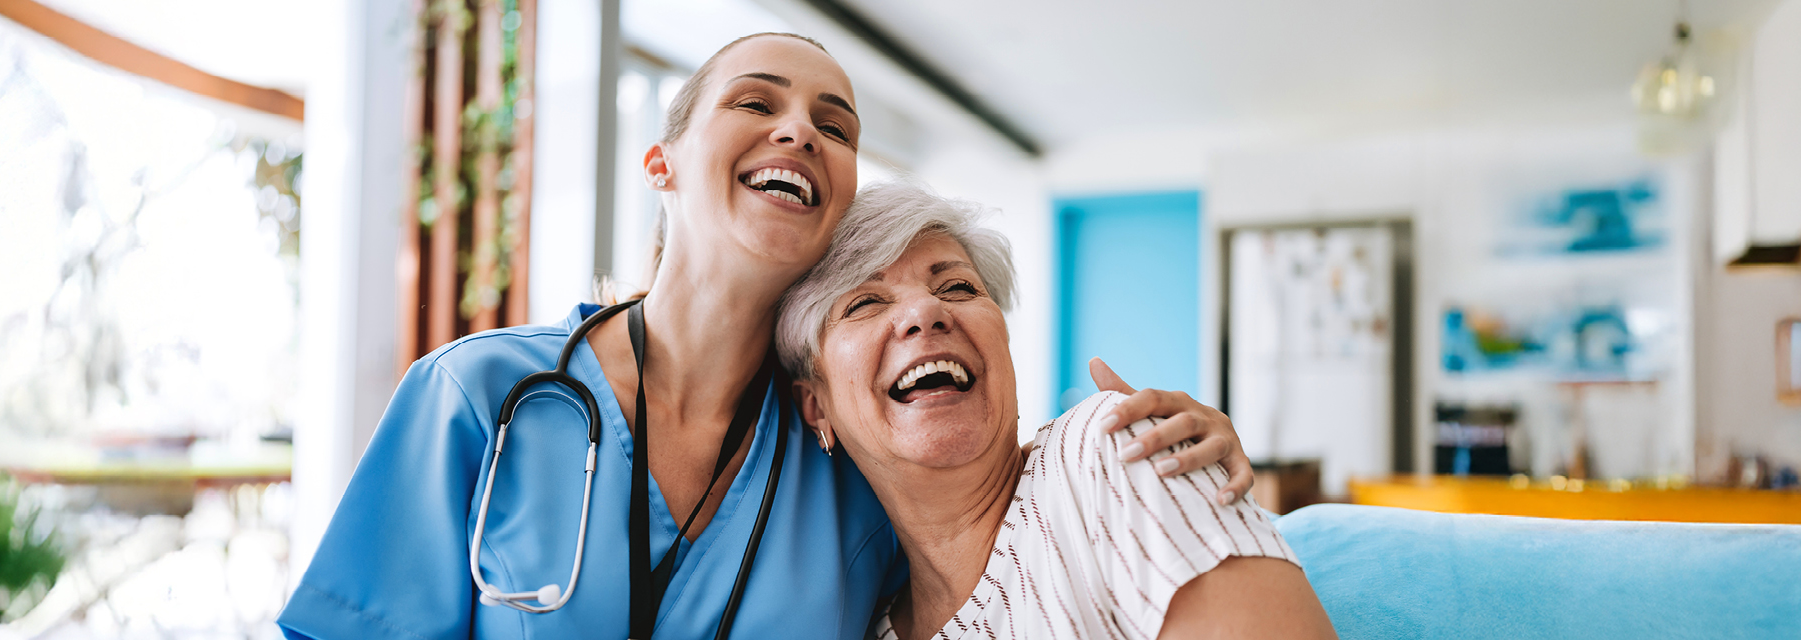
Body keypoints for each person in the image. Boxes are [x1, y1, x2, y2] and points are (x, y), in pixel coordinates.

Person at [279, 33, 1255, 640]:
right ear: (661, 162)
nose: (800, 132)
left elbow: (986, 511)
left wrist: (1146, 452)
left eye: (834, 125)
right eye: (758, 102)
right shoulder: (480, 397)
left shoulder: (839, 465)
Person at [780, 181, 1336, 639]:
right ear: (816, 404)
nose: (927, 311)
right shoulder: (866, 626)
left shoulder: (1110, 448)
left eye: (956, 286)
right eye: (866, 301)